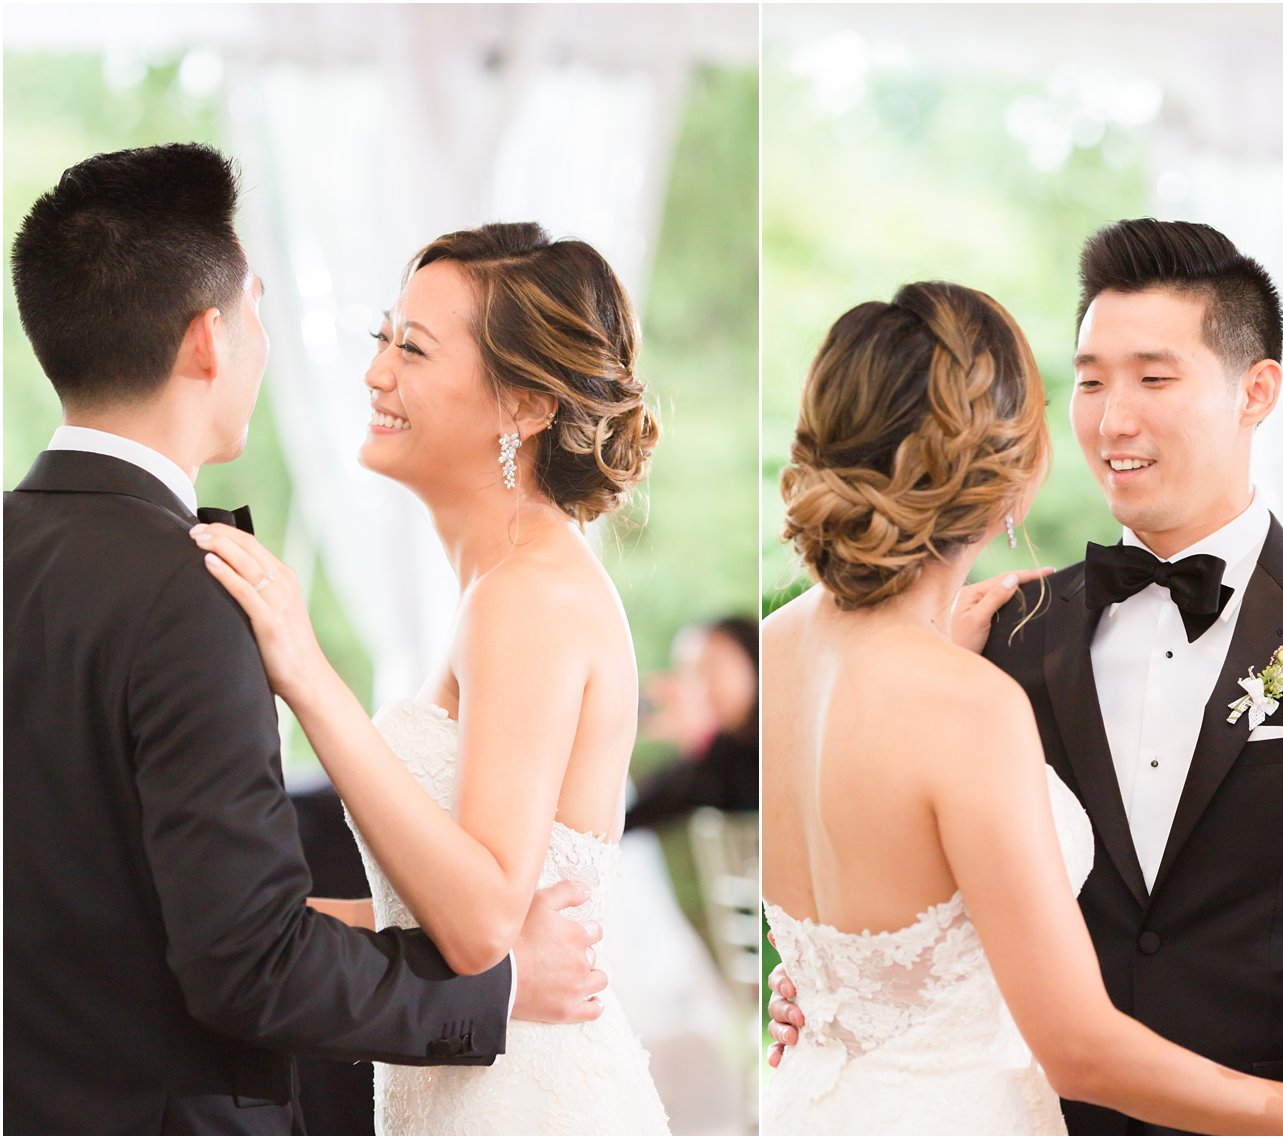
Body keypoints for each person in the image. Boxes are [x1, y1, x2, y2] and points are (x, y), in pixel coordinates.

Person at [772, 221, 1283, 1136]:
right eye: (1087, 381)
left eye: (1153, 377)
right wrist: (842, 983)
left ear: (1257, 390)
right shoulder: (999, 634)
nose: (1111, 418)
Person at [4, 144, 604, 1136]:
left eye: (409, 347)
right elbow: (240, 952)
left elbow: (133, 907)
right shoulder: (189, 589)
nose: (369, 369)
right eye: (257, 309)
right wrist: (496, 991)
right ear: (208, 339)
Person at [192, 220, 671, 1134]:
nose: (377, 372)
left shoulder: (530, 594)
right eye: (384, 339)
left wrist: (304, 669)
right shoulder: (500, 586)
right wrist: (228, 920)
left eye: (412, 349)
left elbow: (483, 919)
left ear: (525, 406)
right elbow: (430, 909)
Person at [626, 615, 760, 831]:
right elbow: (631, 817)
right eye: (692, 676)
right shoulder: (720, 762)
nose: (701, 691)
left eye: (710, 667)